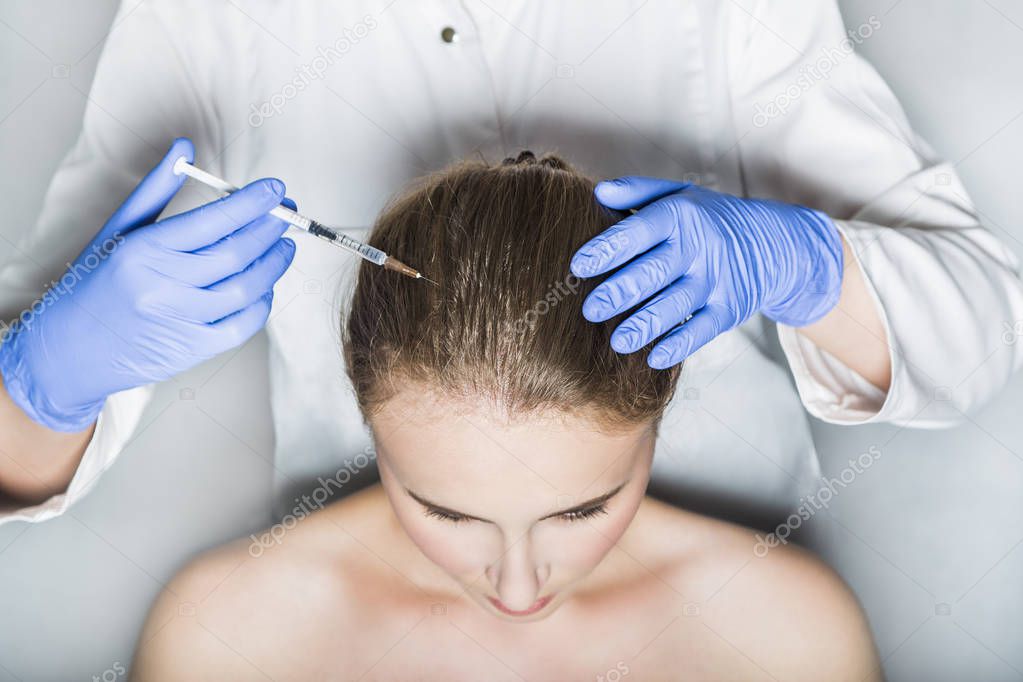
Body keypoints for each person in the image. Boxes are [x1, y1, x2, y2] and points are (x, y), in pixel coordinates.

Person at [1, 1, 1021, 529]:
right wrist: (48, 379)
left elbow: (982, 333)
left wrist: (808, 267)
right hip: (360, 605)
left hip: (727, 585)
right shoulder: (211, 16)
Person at [131, 154, 882, 681]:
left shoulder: (787, 633)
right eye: (448, 515)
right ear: (365, 415)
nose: (517, 592)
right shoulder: (222, 633)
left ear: (658, 415)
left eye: (584, 509)